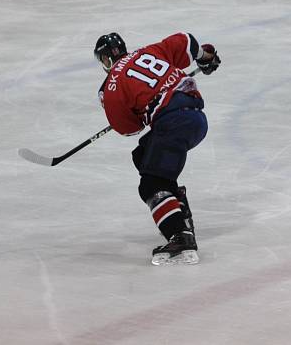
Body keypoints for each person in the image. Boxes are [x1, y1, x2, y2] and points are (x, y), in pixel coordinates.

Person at [94, 31, 220, 265]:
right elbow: (187, 41)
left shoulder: (111, 85)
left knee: (151, 184)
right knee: (144, 153)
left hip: (173, 124)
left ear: (105, 59)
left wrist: (139, 111)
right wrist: (206, 56)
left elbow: (129, 129)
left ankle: (180, 236)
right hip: (196, 119)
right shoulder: (148, 51)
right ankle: (178, 209)